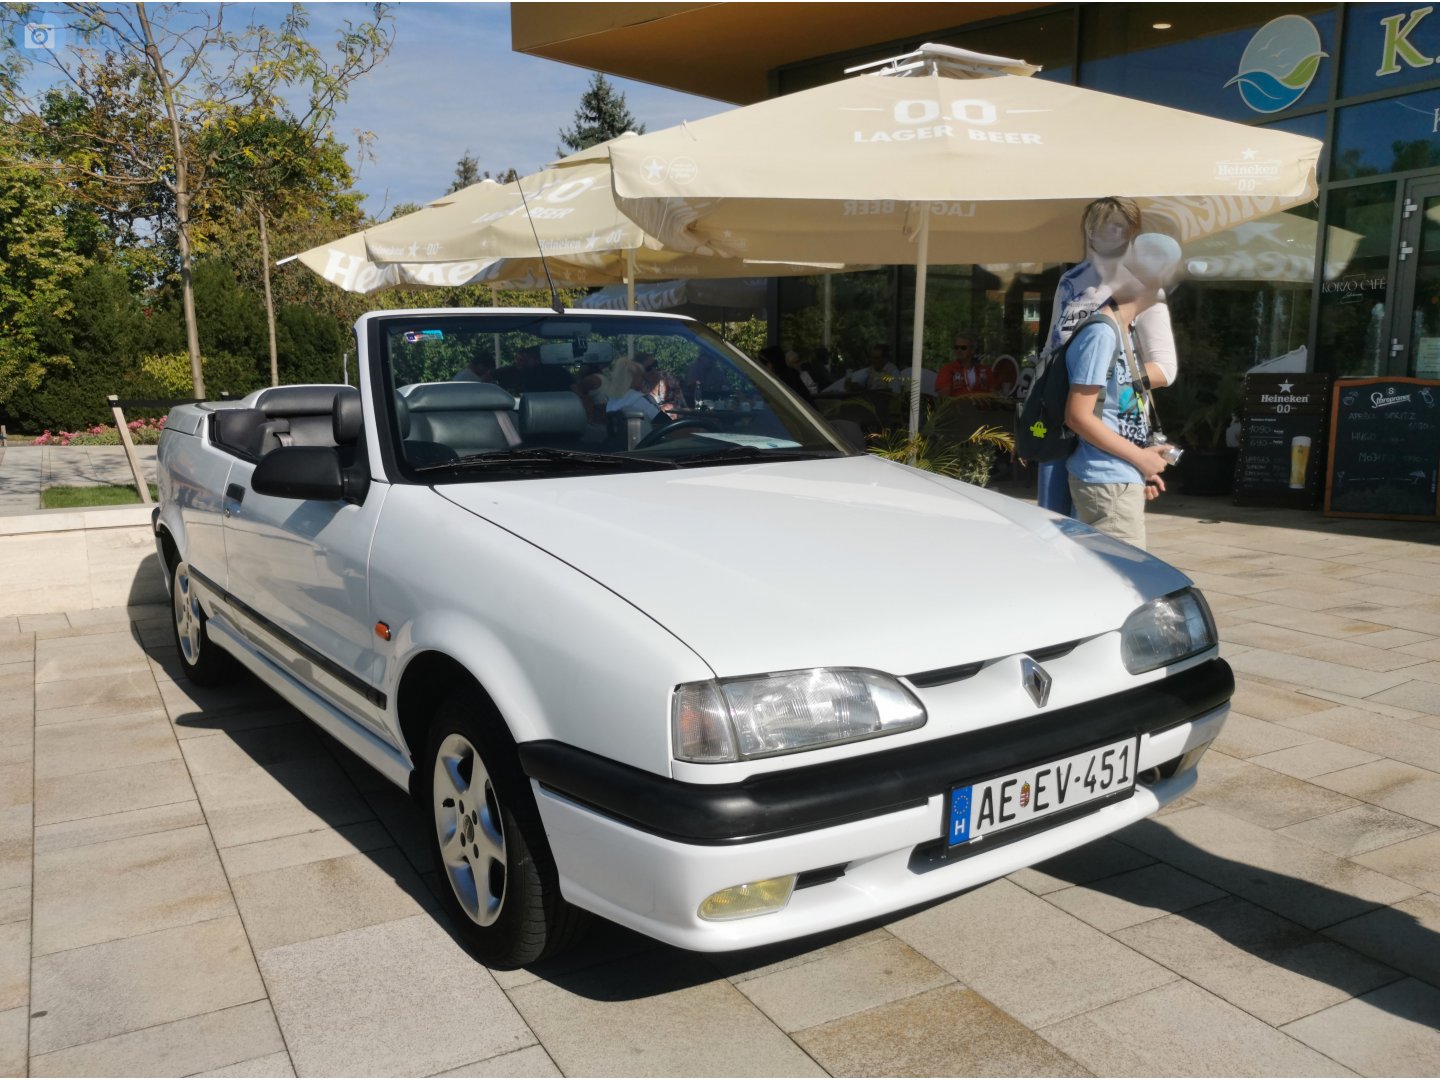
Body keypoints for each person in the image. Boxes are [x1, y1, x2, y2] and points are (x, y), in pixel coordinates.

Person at [1036, 197, 1180, 515]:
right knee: (1054, 532)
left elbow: (1165, 369)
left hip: (1104, 437)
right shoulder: (1071, 282)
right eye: (1107, 225)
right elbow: (1051, 353)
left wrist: (1104, 383)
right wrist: (1036, 416)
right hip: (1060, 431)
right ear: (1090, 232)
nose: (1117, 234)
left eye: (1124, 227)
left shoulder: (1144, 287)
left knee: (1096, 538)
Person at [1063, 281, 1174, 550]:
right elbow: (1077, 416)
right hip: (1106, 480)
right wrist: (1139, 459)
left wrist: (1142, 463)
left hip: (1116, 479)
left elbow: (1115, 412)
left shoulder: (1121, 332)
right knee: (1122, 579)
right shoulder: (1102, 333)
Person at [826, 343, 898, 393]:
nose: (873, 361)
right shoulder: (871, 370)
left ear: (885, 359)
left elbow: (893, 393)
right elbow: (867, 389)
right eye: (872, 358)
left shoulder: (892, 372)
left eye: (877, 358)